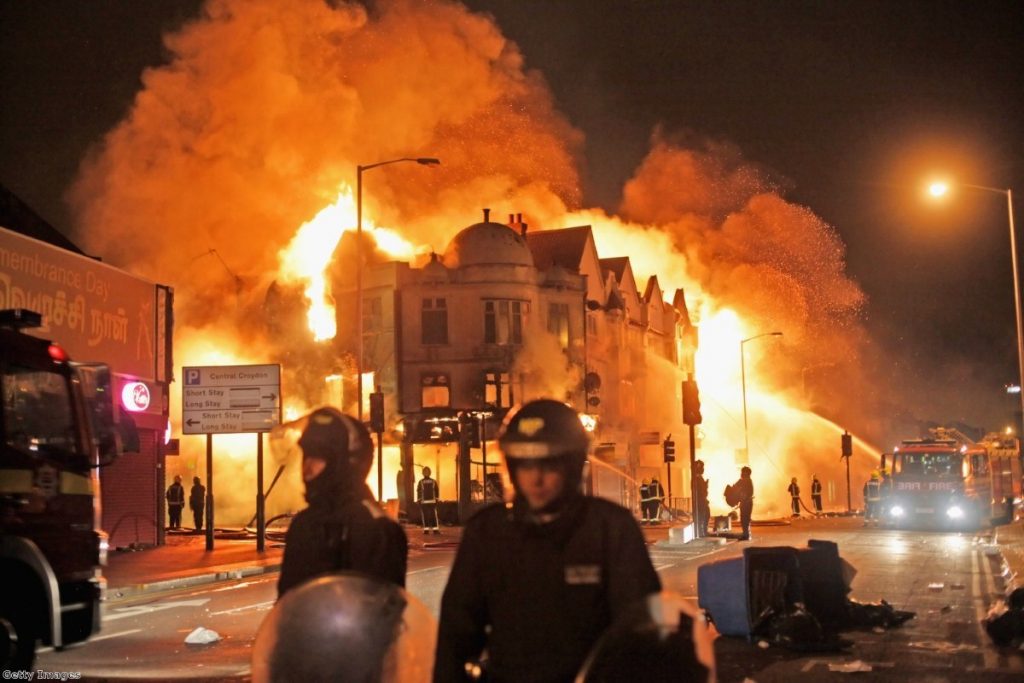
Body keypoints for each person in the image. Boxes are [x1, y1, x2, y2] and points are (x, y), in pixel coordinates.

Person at [434, 399, 661, 682]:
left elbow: (641, 632)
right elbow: (456, 634)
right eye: (526, 466)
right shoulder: (487, 532)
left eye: (549, 466)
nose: (536, 479)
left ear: (573, 465)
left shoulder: (609, 528)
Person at [278, 407, 408, 598]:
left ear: (345, 463)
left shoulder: (377, 529)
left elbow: (384, 613)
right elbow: (286, 604)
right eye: (307, 455)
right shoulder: (303, 524)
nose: (307, 467)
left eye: (319, 457)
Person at [731, 466, 754, 540]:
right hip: (747, 502)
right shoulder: (748, 480)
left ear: (746, 473)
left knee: (744, 519)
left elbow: (736, 487)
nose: (741, 473)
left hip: (746, 503)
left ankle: (746, 535)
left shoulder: (745, 481)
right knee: (746, 518)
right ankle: (747, 534)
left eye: (742, 472)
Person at [417, 466, 441, 535]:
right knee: (425, 516)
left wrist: (436, 499)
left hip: (432, 502)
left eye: (427, 471)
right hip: (424, 502)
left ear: (430, 472)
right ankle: (426, 530)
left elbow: (436, 490)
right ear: (423, 473)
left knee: (433, 516)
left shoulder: (433, 481)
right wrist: (419, 500)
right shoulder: (420, 482)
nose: (426, 473)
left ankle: (435, 530)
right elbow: (419, 491)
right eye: (425, 471)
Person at [693, 460, 709, 538]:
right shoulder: (696, 478)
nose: (703, 469)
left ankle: (703, 532)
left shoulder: (699, 477)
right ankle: (701, 532)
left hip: (702, 501)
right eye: (702, 467)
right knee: (701, 517)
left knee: (706, 516)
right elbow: (698, 491)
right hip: (700, 502)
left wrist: (705, 485)